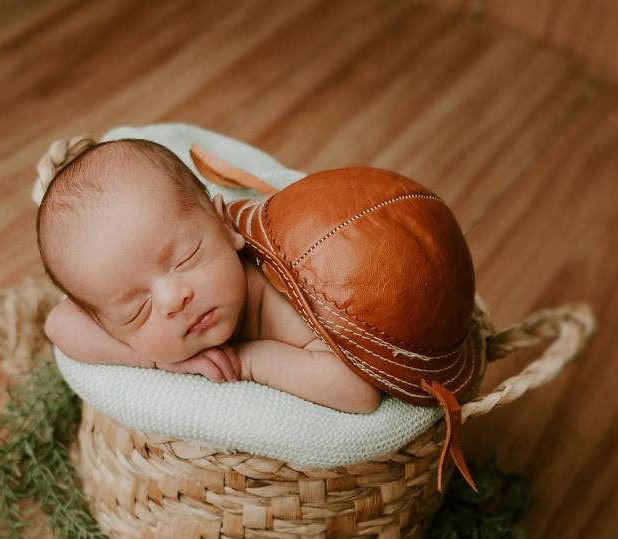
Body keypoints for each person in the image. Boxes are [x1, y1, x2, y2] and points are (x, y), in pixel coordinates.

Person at [37, 139, 382, 414]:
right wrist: (154, 361)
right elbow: (59, 324)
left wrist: (246, 362)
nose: (173, 300)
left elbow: (359, 391)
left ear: (225, 226)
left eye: (186, 258)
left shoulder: (276, 295)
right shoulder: (117, 304)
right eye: (137, 310)